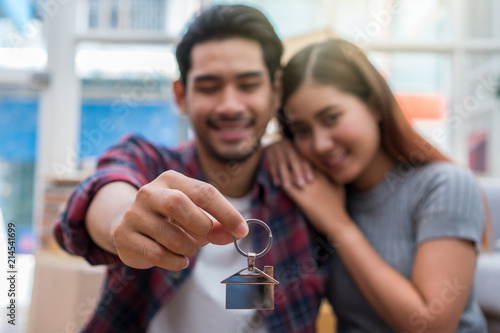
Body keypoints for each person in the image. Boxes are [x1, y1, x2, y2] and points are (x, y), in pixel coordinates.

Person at [53, 5, 330, 333]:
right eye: (210, 87)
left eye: (248, 85)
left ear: (275, 92)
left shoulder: (305, 185)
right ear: (181, 95)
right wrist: (122, 221)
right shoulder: (151, 164)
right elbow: (105, 189)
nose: (230, 105)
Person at [267, 38, 488, 332]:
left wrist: (339, 225)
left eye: (332, 118)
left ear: (374, 105)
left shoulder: (444, 185)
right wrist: (271, 148)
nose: (320, 144)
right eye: (301, 130)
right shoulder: (317, 191)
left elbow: (430, 326)